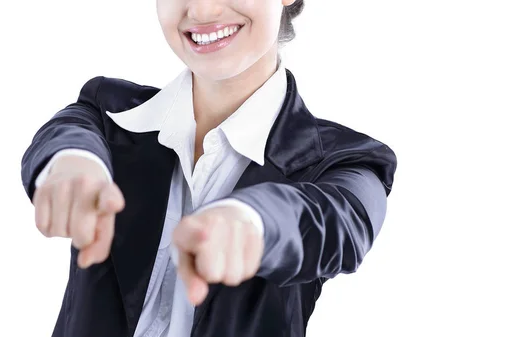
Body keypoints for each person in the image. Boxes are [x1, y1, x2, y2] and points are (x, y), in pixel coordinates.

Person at [20, 0, 397, 336]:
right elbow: (68, 132)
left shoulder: (350, 160)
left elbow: (337, 220)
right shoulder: (109, 113)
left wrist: (253, 220)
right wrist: (71, 163)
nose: (201, 10)